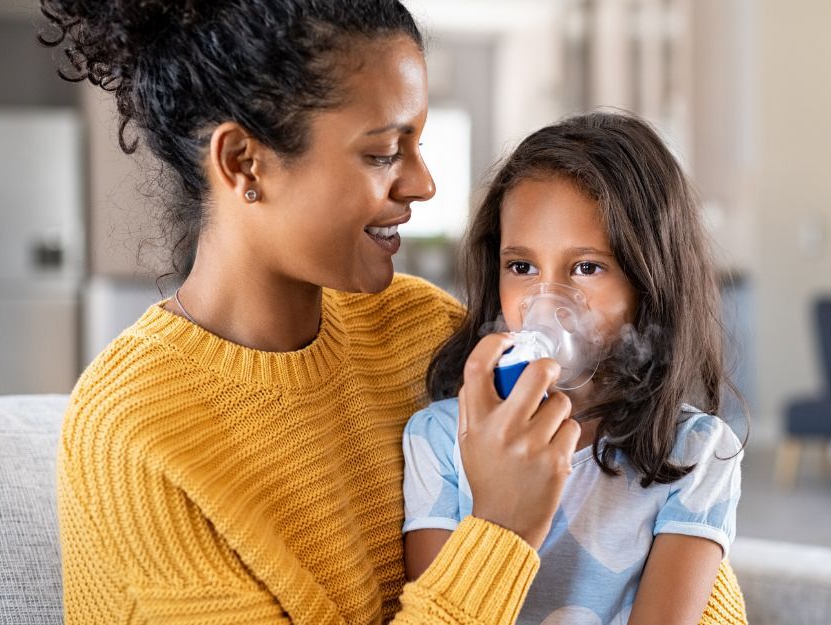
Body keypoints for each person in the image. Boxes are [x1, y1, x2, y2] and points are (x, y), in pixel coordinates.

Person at [43, 1, 579, 622]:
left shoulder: (423, 330)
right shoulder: (132, 437)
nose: (423, 183)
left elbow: (638, 531)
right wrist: (501, 531)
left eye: (418, 143)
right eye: (383, 152)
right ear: (244, 160)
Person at [403, 112, 747, 625]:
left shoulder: (695, 453)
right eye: (522, 267)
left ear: (649, 280)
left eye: (586, 267)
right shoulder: (440, 439)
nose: (547, 299)